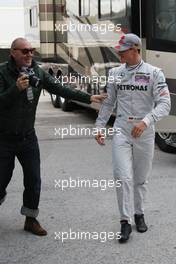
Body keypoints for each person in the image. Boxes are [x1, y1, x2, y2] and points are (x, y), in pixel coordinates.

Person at [0, 37, 106, 236]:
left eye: (31, 50)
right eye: (24, 51)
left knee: (34, 180)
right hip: (3, 138)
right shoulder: (2, 72)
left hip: (27, 138)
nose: (29, 54)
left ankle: (31, 220)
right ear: (12, 52)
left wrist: (88, 97)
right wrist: (16, 89)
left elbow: (60, 89)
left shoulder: (37, 72)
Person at [95, 33, 171, 243]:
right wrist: (99, 126)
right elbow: (108, 102)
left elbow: (165, 105)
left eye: (123, 51)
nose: (119, 54)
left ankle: (139, 214)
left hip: (144, 132)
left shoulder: (154, 73)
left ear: (135, 50)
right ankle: (124, 221)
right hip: (121, 129)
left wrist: (146, 121)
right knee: (122, 177)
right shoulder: (114, 73)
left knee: (140, 179)